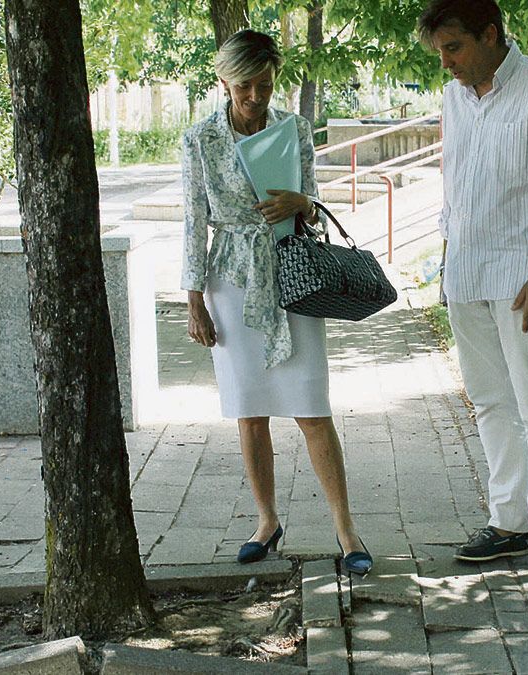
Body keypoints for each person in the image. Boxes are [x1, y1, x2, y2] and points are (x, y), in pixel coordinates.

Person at [179, 29, 371, 576]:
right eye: (246, 86)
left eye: (265, 85)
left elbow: (314, 205)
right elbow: (194, 221)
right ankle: (266, 521)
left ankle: (346, 529)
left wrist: (303, 202)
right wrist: (193, 301)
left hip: (291, 274)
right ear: (224, 79)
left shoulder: (294, 129)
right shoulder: (199, 140)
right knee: (250, 411)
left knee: (313, 408)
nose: (256, 96)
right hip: (232, 280)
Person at [419, 0, 528, 582]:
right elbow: (454, 186)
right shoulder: (454, 97)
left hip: (526, 280)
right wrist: (447, 267)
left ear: (490, 34)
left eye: (454, 47)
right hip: (467, 273)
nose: (446, 63)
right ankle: (508, 524)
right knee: (492, 404)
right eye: (440, 51)